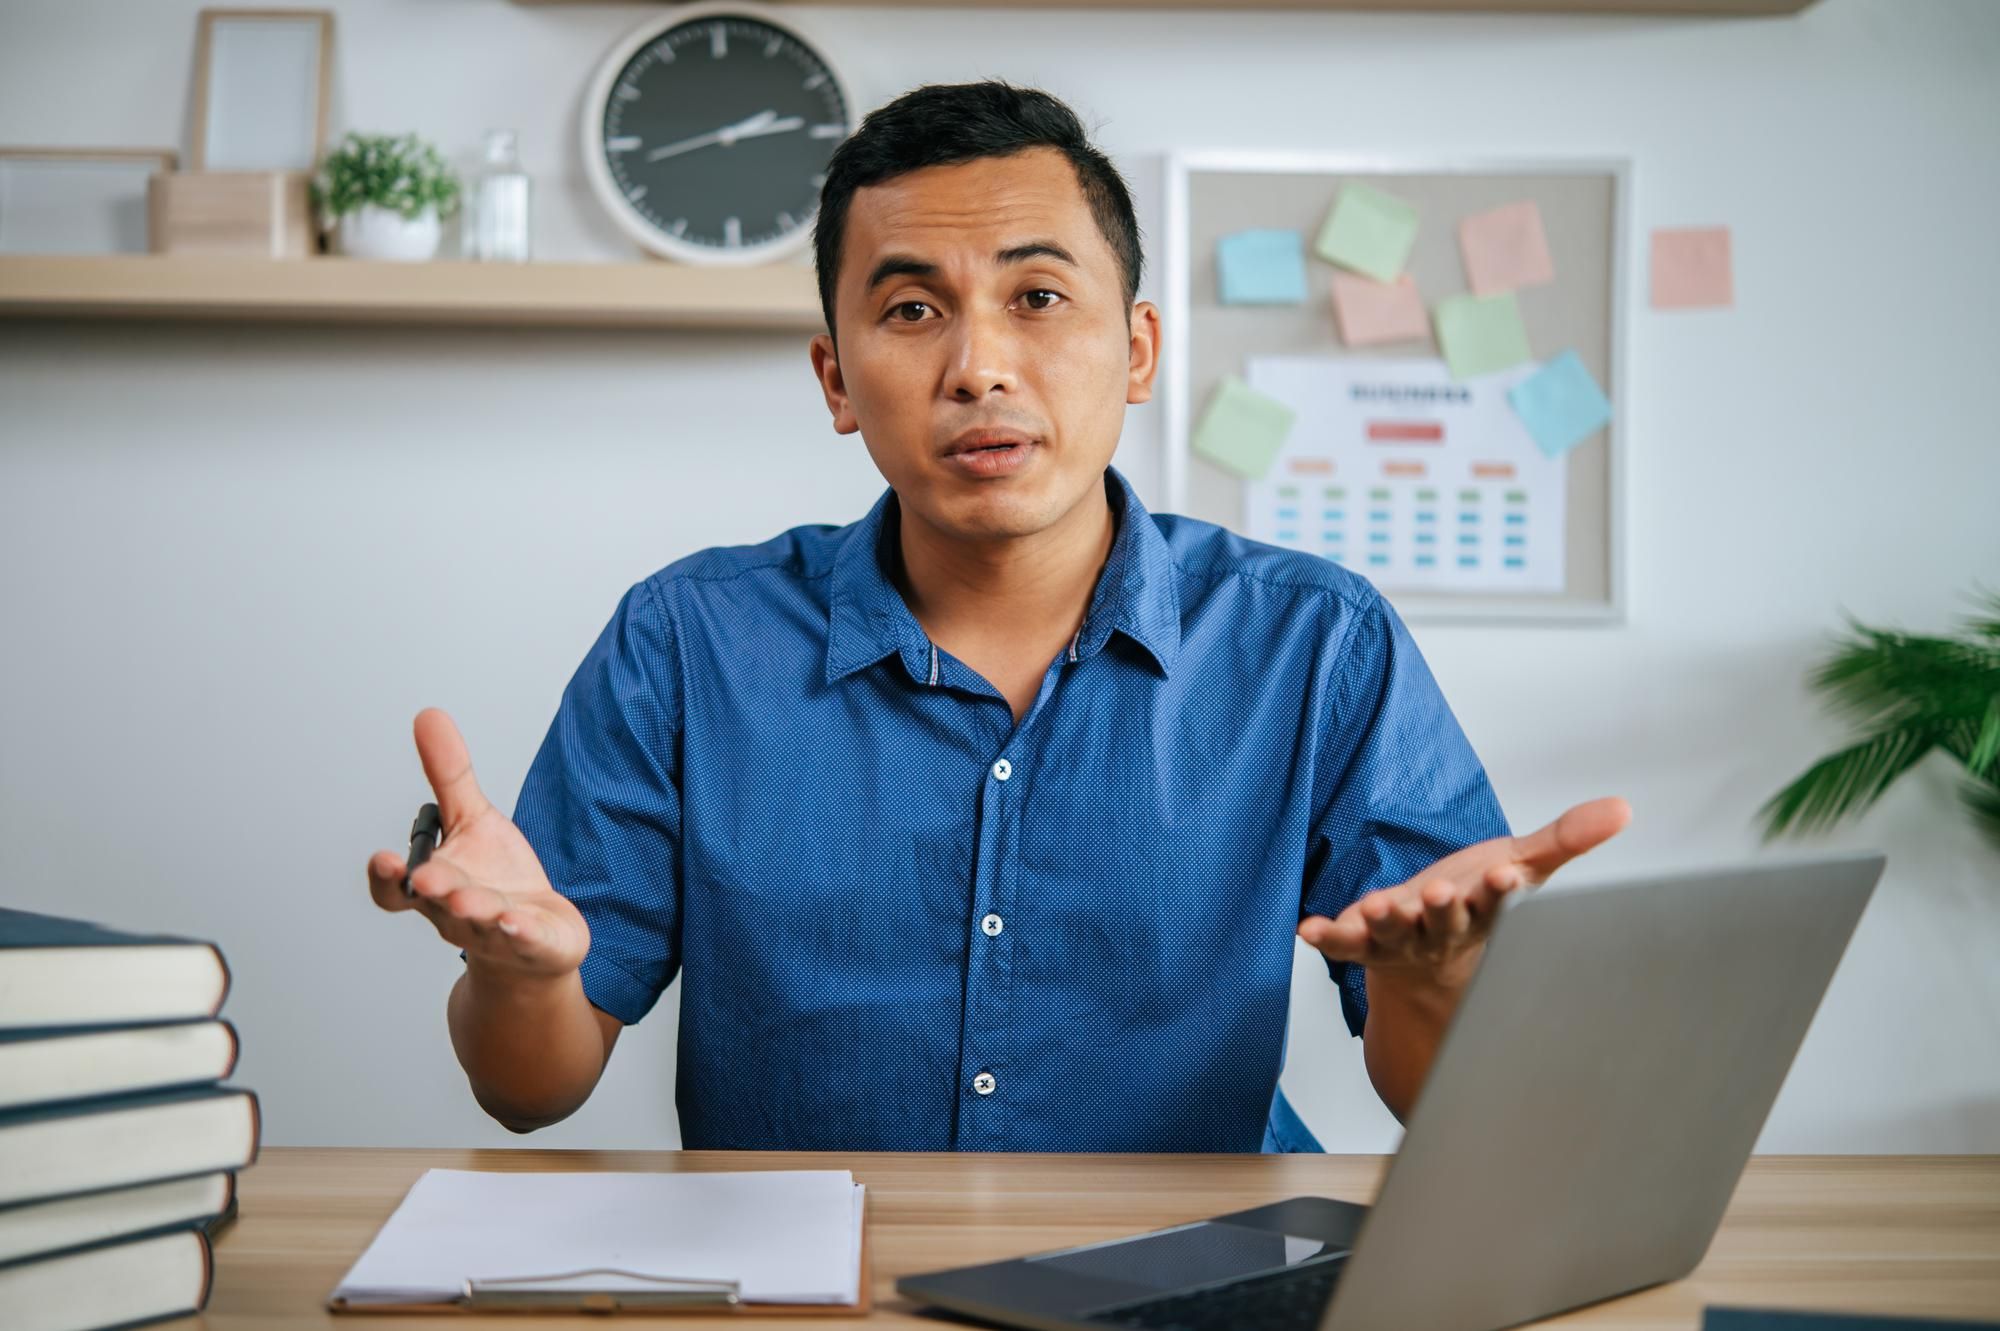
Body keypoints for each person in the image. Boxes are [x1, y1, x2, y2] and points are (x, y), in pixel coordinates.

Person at [365, 81, 1630, 1152]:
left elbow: (1442, 1101)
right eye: (911, 309)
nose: (977, 364)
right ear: (836, 377)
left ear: (1134, 350)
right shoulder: (687, 642)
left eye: (1036, 298)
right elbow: (528, 1088)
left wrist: (1440, 976)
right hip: (816, 1286)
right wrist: (516, 975)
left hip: (1183, 1284)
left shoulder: (1313, 643)